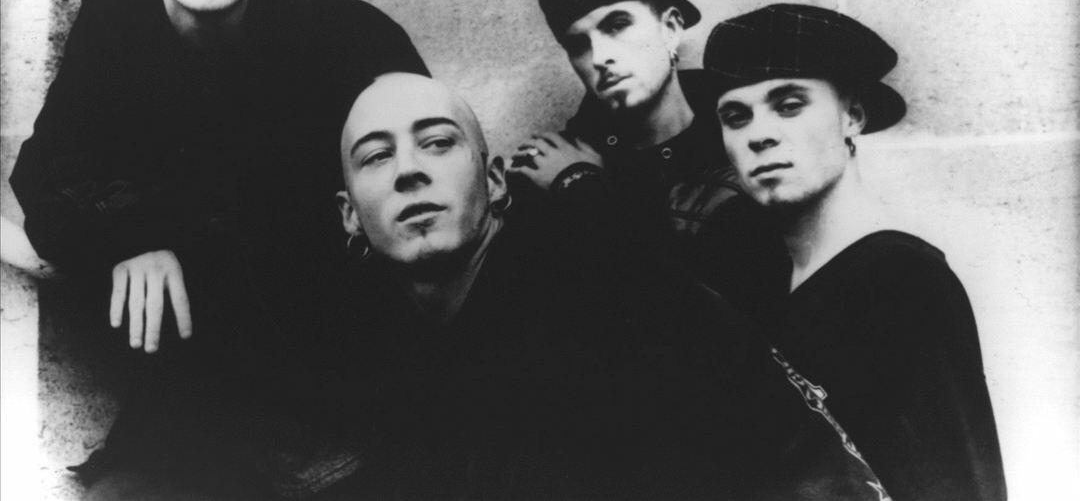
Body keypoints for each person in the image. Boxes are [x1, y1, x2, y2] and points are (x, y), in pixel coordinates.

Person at [9, 0, 427, 499]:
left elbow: (433, 165)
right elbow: (45, 171)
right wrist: (133, 235)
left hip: (336, 386)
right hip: (192, 391)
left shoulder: (342, 36)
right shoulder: (114, 26)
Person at [320, 72, 893, 500]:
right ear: (349, 215)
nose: (409, 171)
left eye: (438, 143)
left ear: (495, 181)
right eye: (376, 156)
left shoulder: (597, 299)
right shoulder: (384, 343)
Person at [701, 3, 1007, 501]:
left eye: (789, 105)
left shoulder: (901, 281)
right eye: (735, 117)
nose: (758, 134)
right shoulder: (754, 278)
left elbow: (957, 482)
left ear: (853, 117)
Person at [510, 0, 745, 248]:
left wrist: (583, 187)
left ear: (671, 28)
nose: (599, 57)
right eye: (578, 45)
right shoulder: (548, 168)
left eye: (617, 25)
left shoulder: (745, 135)